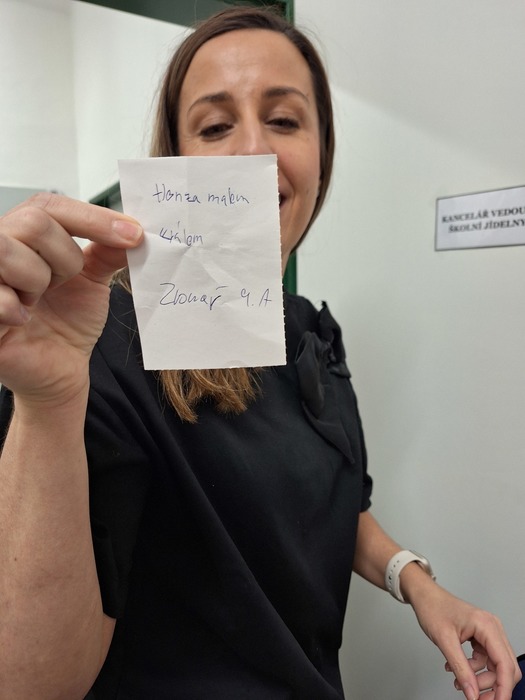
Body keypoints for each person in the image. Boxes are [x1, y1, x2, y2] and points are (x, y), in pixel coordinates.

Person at [0, 6, 520, 700]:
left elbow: (329, 503)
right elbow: (31, 683)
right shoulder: (100, 348)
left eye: (283, 120)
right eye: (215, 126)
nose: (253, 150)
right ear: (173, 160)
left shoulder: (308, 328)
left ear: (321, 156)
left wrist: (419, 585)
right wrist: (48, 402)